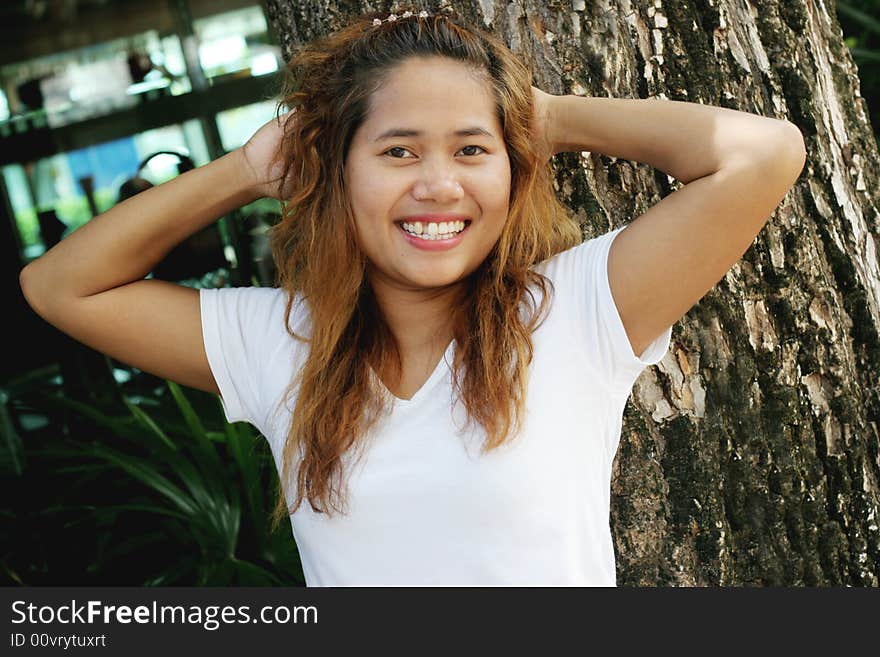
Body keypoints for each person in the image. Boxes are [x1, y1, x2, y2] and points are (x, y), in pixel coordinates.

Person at [18, 8, 806, 586]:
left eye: (472, 148)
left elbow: (764, 153)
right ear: (339, 171)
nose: (438, 184)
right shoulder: (285, 344)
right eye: (398, 150)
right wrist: (252, 170)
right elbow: (60, 286)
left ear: (513, 166)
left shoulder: (576, 312)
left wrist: (553, 116)